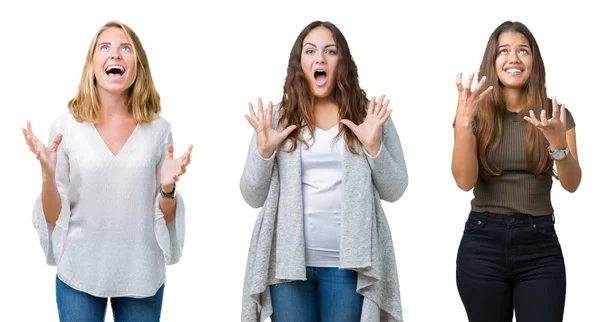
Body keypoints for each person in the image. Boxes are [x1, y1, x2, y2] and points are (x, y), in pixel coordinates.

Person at [22, 21, 192, 322]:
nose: (116, 55)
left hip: (141, 274)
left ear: (137, 64)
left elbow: (164, 215)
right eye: (106, 47)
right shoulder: (65, 128)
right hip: (80, 272)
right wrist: (47, 175)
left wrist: (168, 188)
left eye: (125, 48)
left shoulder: (159, 130)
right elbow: (53, 215)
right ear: (93, 64)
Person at [240, 20, 409, 322]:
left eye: (330, 51)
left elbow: (395, 190)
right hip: (288, 268)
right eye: (310, 51)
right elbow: (252, 196)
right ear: (299, 63)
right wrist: (263, 152)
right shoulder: (277, 118)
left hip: (349, 267)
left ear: (341, 62)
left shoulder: (368, 115)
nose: (320, 58)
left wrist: (374, 148)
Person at [452, 20, 581, 322]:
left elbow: (572, 184)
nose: (513, 58)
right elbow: (464, 181)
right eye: (504, 51)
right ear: (492, 61)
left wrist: (558, 145)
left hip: (539, 247)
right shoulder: (473, 113)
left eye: (523, 50)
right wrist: (462, 122)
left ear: (534, 60)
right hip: (482, 244)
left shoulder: (557, 114)